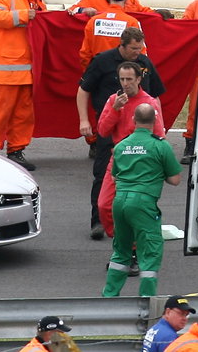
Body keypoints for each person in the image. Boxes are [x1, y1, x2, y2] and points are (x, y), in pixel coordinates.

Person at [78, 27, 165, 238]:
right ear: (122, 46)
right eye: (134, 49)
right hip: (110, 127)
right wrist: (84, 120)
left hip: (138, 134)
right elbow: (83, 90)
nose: (138, 52)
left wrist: (160, 130)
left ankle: (132, 229)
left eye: (140, 48)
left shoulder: (144, 63)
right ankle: (99, 222)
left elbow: (155, 96)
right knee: (102, 176)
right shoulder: (102, 61)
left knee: (137, 185)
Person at [102, 103, 182, 299]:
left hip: (119, 202)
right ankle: (146, 300)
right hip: (143, 204)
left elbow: (114, 177)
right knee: (150, 251)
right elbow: (175, 180)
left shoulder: (121, 146)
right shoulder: (160, 145)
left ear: (133, 120)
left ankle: (109, 296)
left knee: (121, 251)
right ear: (155, 121)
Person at [0, 0, 50, 171]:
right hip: (5, 72)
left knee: (23, 116)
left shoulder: (39, 3)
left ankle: (16, 151)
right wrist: (23, 15)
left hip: (27, 72)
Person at [95, 59, 168, 237]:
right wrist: (115, 109)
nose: (125, 83)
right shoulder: (114, 100)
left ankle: (132, 245)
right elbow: (103, 131)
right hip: (119, 161)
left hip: (140, 163)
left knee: (135, 208)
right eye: (122, 79)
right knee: (104, 205)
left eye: (129, 79)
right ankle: (121, 239)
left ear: (139, 79)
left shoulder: (149, 103)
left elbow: (159, 136)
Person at [80, 0, 144, 69]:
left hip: (98, 72)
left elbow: (85, 53)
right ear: (125, 0)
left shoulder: (93, 21)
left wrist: (90, 72)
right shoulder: (132, 22)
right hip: (122, 73)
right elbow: (140, 53)